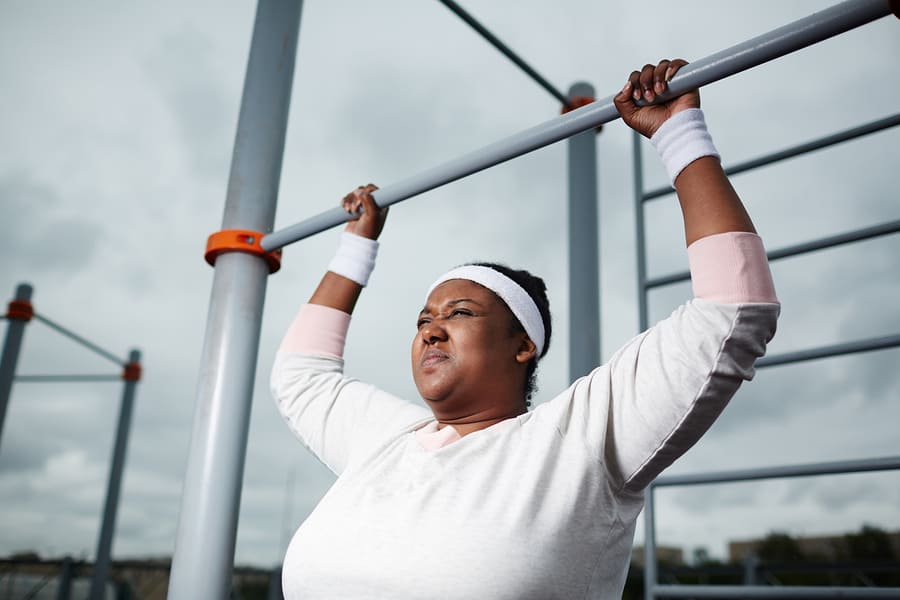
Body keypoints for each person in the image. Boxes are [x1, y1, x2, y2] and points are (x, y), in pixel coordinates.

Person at [270, 59, 780, 599]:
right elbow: (301, 374)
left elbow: (733, 308)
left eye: (460, 313)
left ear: (523, 346)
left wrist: (680, 135)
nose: (432, 331)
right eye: (424, 319)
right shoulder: (385, 439)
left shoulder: (575, 441)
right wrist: (355, 249)